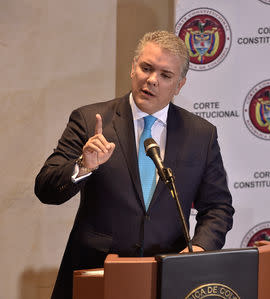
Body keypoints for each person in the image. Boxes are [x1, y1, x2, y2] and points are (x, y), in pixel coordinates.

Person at [34, 30, 234, 299]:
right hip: (97, 274)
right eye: (146, 68)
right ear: (133, 68)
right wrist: (83, 165)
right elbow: (46, 188)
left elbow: (218, 207)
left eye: (165, 75)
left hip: (168, 279)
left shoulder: (201, 134)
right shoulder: (90, 120)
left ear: (180, 85)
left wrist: (198, 250)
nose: (152, 80)